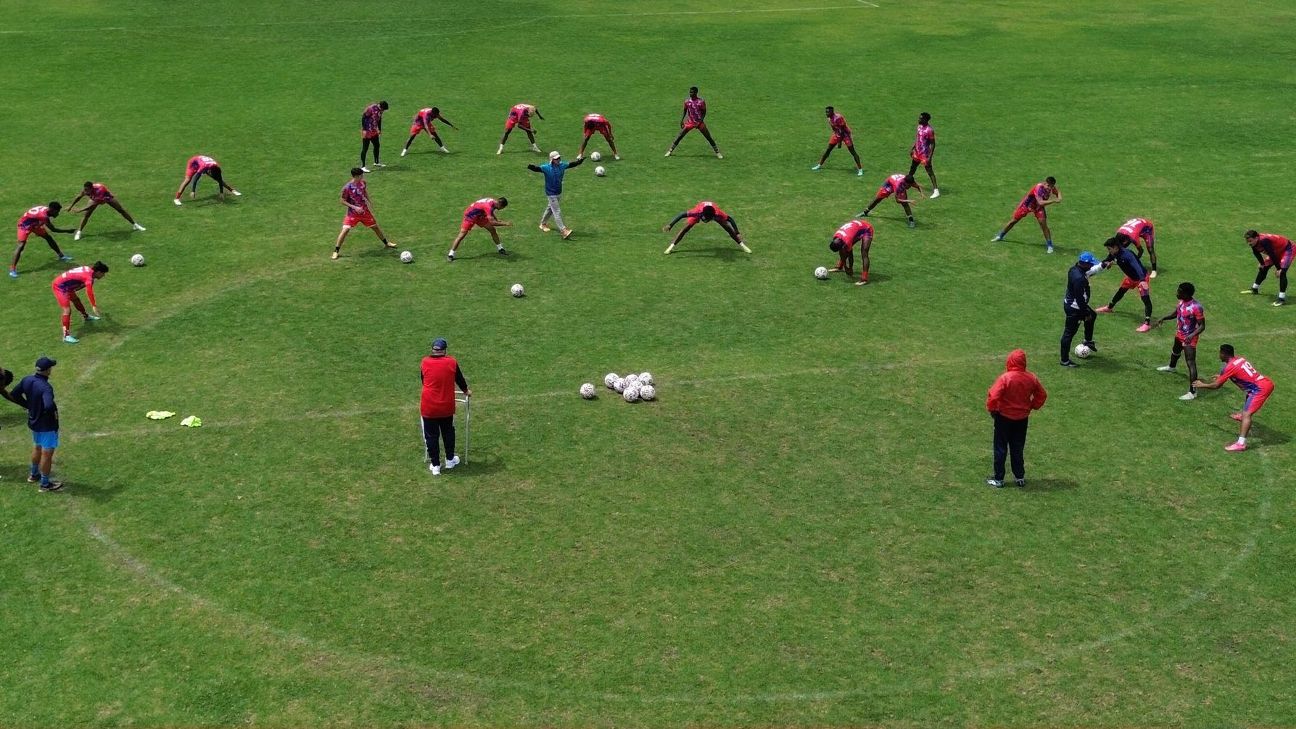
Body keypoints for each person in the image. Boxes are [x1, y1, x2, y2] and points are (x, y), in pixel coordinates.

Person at [1192, 344, 1275, 452]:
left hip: (1260, 389)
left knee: (1247, 414)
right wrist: (1222, 376)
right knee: (1249, 396)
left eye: (1220, 353)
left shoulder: (1230, 367)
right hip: (1263, 382)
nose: (1219, 355)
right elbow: (1240, 373)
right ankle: (1242, 416)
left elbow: (1217, 386)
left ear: (1224, 354)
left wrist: (1202, 385)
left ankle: (1241, 444)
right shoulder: (1239, 359)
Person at [985, 349, 1047, 487]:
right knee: (1017, 447)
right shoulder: (1031, 378)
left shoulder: (1006, 378)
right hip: (1022, 419)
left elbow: (993, 396)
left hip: (1004, 418)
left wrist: (992, 410)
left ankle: (999, 479)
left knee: (1000, 448)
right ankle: (1019, 477)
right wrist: (1032, 406)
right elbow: (1042, 395)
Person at [9, 356, 64, 491]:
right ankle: (45, 484)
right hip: (47, 425)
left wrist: (29, 406)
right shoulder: (46, 387)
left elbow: (14, 394)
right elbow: (49, 405)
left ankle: (34, 475)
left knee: (37, 447)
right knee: (47, 453)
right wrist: (52, 415)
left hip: (33, 421)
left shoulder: (27, 380)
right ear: (48, 370)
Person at [420, 338, 470, 475]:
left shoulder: (424, 362)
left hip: (429, 406)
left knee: (431, 436)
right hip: (446, 406)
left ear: (433, 350)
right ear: (445, 350)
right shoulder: (451, 362)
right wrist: (466, 391)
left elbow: (423, 380)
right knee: (448, 432)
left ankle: (435, 465)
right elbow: (460, 379)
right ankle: (449, 459)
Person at [1151, 282, 1206, 400]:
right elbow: (1176, 313)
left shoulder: (1196, 307)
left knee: (1190, 362)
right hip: (1180, 334)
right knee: (1175, 351)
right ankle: (1172, 367)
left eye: (1179, 291)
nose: (1177, 293)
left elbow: (1202, 326)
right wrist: (1164, 318)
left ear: (1186, 293)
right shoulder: (1181, 302)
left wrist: (1191, 336)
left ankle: (1193, 392)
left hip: (1189, 338)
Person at [332, 168, 396, 260]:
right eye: (361, 175)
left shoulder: (363, 183)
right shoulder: (347, 188)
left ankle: (387, 243)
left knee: (375, 227)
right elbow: (342, 201)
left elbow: (364, 192)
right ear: (356, 176)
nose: (363, 177)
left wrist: (369, 201)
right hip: (352, 213)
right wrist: (355, 207)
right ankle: (336, 251)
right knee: (345, 230)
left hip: (364, 211)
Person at [1095, 235, 1154, 332]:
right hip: (1131, 278)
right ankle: (1109, 308)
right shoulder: (1114, 253)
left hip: (1141, 278)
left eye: (1109, 249)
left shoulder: (1127, 255)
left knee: (1145, 299)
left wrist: (1143, 280)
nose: (1109, 251)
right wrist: (1107, 263)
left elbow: (1137, 267)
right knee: (1121, 291)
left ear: (1116, 247)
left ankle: (1147, 323)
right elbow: (1106, 260)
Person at [991, 177, 1061, 253]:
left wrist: (1059, 197)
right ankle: (1000, 236)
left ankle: (1050, 245)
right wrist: (1054, 200)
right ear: (1045, 183)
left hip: (1038, 207)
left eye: (1051, 186)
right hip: (1027, 205)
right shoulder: (1038, 188)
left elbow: (1058, 193)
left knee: (1043, 224)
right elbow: (1040, 202)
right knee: (1014, 221)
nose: (1049, 188)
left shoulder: (1052, 188)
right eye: (1048, 185)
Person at [527, 150, 585, 239]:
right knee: (557, 211)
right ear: (552, 160)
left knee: (550, 208)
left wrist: (579, 162)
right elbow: (538, 169)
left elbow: (571, 164)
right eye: (556, 159)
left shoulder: (562, 165)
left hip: (558, 192)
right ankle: (563, 231)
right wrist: (531, 167)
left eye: (559, 158)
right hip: (551, 193)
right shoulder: (546, 167)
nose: (558, 160)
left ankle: (542, 224)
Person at [1060, 251, 1104, 367]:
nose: (1091, 266)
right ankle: (1064, 360)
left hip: (1074, 304)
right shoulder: (1079, 279)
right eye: (1090, 264)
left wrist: (1103, 265)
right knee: (1069, 333)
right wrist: (1085, 313)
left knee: (1093, 315)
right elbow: (1079, 299)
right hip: (1075, 308)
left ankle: (1088, 341)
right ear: (1084, 264)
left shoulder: (1075, 269)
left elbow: (1090, 271)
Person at [11, 202, 74, 278]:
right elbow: (53, 229)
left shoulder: (45, 211)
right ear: (52, 210)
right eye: (57, 212)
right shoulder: (44, 216)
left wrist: (39, 225)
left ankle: (61, 256)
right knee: (21, 245)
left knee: (48, 238)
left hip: (35, 224)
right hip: (24, 226)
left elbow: (35, 216)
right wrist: (68, 231)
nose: (58, 214)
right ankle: (12, 270)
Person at [662, 201, 750, 255]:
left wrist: (737, 233)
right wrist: (670, 225)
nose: (706, 221)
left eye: (709, 219)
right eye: (705, 219)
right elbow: (682, 215)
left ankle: (742, 245)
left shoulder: (717, 213)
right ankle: (671, 247)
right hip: (701, 211)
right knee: (685, 228)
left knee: (727, 227)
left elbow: (730, 219)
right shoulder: (697, 212)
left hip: (712, 213)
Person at [51, 261, 108, 344]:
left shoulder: (88, 270)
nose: (103, 276)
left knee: (76, 300)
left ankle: (86, 316)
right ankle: (66, 336)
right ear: (98, 272)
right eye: (103, 274)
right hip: (60, 287)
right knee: (67, 310)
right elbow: (89, 292)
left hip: (66, 285)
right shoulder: (88, 278)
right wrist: (94, 305)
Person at [67, 181, 145, 240]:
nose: (86, 192)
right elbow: (79, 197)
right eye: (85, 189)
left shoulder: (99, 190)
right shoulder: (85, 190)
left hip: (106, 198)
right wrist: (71, 206)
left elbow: (93, 205)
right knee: (86, 215)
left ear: (91, 188)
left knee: (121, 210)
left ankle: (135, 225)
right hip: (95, 198)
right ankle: (79, 232)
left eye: (87, 190)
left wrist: (79, 210)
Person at [665, 86, 722, 159]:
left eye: (692, 92)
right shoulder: (687, 102)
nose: (690, 93)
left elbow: (704, 112)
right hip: (690, 122)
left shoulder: (701, 102)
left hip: (699, 122)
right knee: (680, 135)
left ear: (696, 93)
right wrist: (682, 120)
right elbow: (685, 111)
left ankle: (717, 152)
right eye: (690, 92)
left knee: (708, 137)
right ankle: (670, 150)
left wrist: (700, 122)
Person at [1241, 229, 1293, 306]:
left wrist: (1279, 269)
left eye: (1250, 241)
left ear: (1256, 238)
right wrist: (1262, 263)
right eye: (1248, 241)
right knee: (1263, 268)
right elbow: (1256, 252)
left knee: (1282, 273)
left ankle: (1281, 299)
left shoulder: (1264, 241)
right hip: (1276, 250)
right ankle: (1254, 289)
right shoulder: (1254, 242)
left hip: (1287, 249)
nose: (1249, 243)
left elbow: (1272, 254)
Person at [811, 106, 863, 175]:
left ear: (832, 112)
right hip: (837, 134)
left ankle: (860, 169)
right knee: (828, 150)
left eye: (828, 112)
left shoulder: (838, 118)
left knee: (852, 151)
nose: (826, 113)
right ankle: (819, 165)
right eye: (826, 112)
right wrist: (836, 135)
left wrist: (839, 143)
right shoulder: (829, 118)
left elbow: (842, 130)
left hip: (845, 135)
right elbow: (834, 128)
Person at [856, 173, 922, 228]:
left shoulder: (910, 180)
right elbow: (898, 200)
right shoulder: (898, 185)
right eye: (909, 186)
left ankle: (911, 221)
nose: (910, 187)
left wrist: (922, 193)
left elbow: (917, 186)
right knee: (878, 199)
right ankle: (865, 212)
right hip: (889, 184)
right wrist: (909, 201)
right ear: (906, 183)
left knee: (905, 204)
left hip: (898, 182)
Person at [173, 155, 240, 205]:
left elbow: (219, 179)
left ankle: (232, 190)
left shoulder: (217, 168)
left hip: (204, 164)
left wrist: (221, 193)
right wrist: (193, 191)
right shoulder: (204, 167)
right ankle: (176, 198)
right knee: (187, 180)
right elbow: (196, 178)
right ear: (209, 171)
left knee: (217, 178)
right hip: (193, 163)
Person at [827, 219, 874, 285]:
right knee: (844, 249)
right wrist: (846, 267)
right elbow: (842, 250)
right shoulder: (836, 236)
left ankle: (864, 279)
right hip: (856, 229)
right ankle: (839, 267)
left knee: (864, 252)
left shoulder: (847, 240)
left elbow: (850, 256)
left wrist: (850, 268)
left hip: (867, 229)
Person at [907, 112, 939, 197]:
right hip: (917, 153)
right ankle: (907, 182)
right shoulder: (919, 127)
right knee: (912, 168)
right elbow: (918, 139)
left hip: (925, 155)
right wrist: (913, 148)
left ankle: (936, 191)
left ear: (925, 120)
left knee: (929, 171)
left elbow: (933, 144)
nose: (919, 119)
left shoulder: (929, 130)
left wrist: (930, 157)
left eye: (920, 118)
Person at [359, 100, 389, 171]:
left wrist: (379, 129)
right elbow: (364, 117)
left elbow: (379, 119)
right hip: (367, 131)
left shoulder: (380, 110)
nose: (383, 111)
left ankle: (376, 162)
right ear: (380, 106)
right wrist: (364, 129)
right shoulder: (371, 108)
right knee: (365, 148)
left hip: (374, 131)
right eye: (383, 109)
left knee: (377, 145)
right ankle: (363, 166)